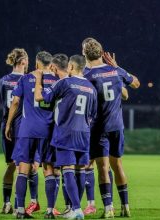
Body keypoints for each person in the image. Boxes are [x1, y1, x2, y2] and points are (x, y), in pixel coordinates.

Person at [34, 54, 97, 220]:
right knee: (80, 171)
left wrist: (38, 80)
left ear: (71, 67)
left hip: (66, 133)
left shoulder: (64, 83)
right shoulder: (91, 88)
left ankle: (76, 210)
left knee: (67, 170)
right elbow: (92, 115)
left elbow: (41, 98)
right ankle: (76, 208)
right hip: (84, 134)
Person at [83, 39, 140, 218]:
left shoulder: (86, 75)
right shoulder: (115, 70)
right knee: (117, 166)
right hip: (117, 127)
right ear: (102, 53)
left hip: (99, 128)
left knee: (103, 168)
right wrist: (118, 68)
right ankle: (126, 207)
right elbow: (135, 84)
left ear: (84, 53)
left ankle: (108, 208)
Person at [5, 51, 59, 219]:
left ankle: (20, 210)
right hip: (47, 131)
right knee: (49, 169)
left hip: (27, 130)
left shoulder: (24, 78)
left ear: (36, 63)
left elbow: (15, 102)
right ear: (51, 65)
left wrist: (8, 124)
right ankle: (50, 211)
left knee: (23, 168)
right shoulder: (57, 81)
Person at [0, 48, 28, 214]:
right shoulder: (27, 80)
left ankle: (6, 203)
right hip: (21, 126)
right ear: (23, 61)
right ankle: (19, 205)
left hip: (5, 125)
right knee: (21, 166)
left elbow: (5, 103)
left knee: (10, 165)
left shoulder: (3, 80)